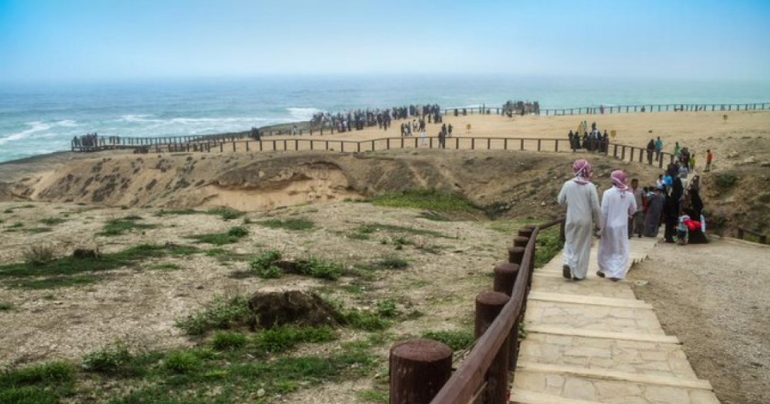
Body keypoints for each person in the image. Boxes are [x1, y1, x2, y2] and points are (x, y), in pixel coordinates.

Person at [557, 159, 601, 281]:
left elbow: (560, 200)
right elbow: (596, 207)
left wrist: (570, 201)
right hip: (586, 221)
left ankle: (567, 262)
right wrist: (599, 223)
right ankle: (578, 273)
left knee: (570, 242)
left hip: (571, 219)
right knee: (583, 246)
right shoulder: (590, 187)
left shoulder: (568, 184)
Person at [597, 170, 637, 281]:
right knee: (621, 250)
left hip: (609, 225)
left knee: (606, 248)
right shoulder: (629, 194)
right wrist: (628, 213)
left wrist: (601, 227)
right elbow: (634, 209)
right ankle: (617, 273)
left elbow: (603, 212)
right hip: (622, 226)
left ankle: (604, 269)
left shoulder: (607, 193)